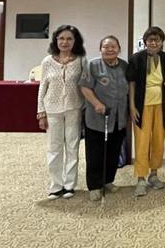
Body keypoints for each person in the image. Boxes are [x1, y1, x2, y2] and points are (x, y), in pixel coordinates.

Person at [36, 24, 87, 200]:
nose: (65, 42)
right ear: (56, 40)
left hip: (74, 109)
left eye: (69, 39)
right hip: (52, 109)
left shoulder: (81, 60)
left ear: (75, 41)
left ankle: (69, 185)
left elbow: (85, 85)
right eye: (61, 38)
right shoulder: (47, 61)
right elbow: (42, 87)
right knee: (54, 148)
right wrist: (41, 112)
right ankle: (55, 186)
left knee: (72, 147)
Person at [80, 35, 128, 201]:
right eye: (106, 47)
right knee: (95, 153)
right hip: (98, 117)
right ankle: (94, 186)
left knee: (113, 152)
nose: (109, 49)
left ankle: (108, 180)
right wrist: (97, 104)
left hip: (118, 118)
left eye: (113, 46)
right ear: (100, 49)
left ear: (119, 49)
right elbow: (85, 87)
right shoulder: (93, 65)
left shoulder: (124, 66)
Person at [127, 26, 165, 197]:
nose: (153, 43)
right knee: (142, 142)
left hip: (161, 105)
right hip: (141, 105)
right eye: (150, 40)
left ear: (161, 42)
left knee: (159, 141)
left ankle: (154, 174)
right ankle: (140, 178)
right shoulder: (136, 58)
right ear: (145, 42)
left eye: (157, 40)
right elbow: (131, 83)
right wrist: (132, 106)